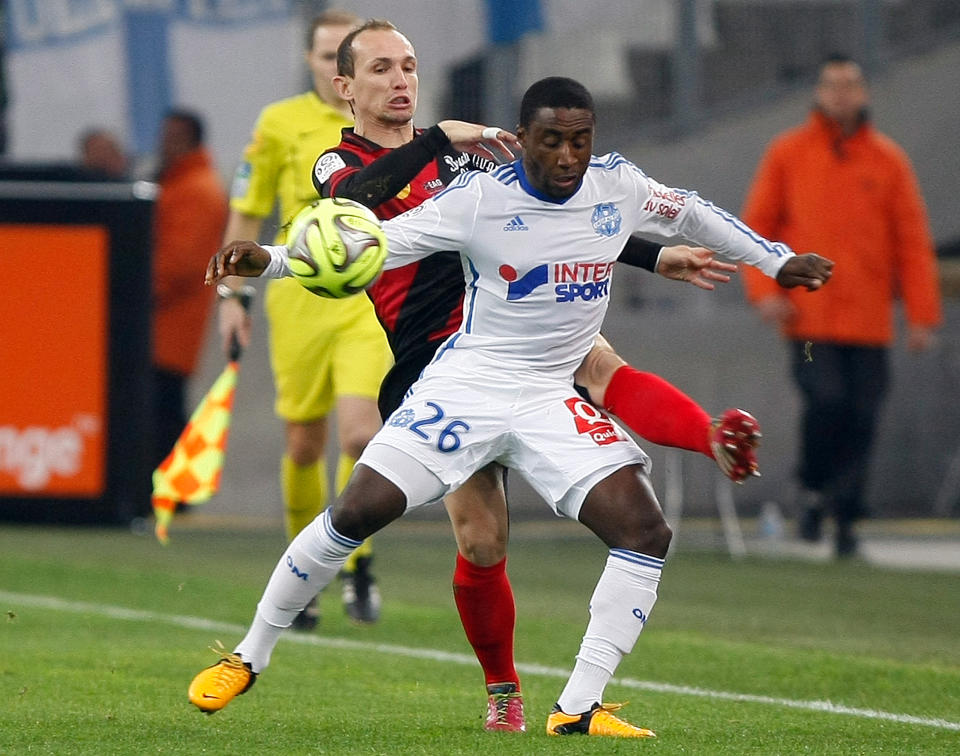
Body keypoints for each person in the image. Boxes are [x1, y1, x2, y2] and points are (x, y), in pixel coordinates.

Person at [191, 75, 833, 737]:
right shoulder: (478, 198)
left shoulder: (619, 184)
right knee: (360, 509)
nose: (566, 156)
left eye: (580, 141)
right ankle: (249, 655)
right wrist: (267, 260)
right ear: (521, 140)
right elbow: (378, 243)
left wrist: (775, 260)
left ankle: (578, 708)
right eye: (551, 141)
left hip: (550, 394)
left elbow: (694, 212)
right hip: (468, 383)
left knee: (645, 531)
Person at [306, 19, 772, 733]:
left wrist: (651, 255)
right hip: (440, 354)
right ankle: (503, 689)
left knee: (600, 359)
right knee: (483, 538)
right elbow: (357, 206)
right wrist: (437, 139)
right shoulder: (342, 163)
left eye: (408, 66)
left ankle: (709, 435)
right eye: (380, 70)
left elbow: (551, 215)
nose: (401, 81)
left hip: (521, 313)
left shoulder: (465, 157)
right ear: (346, 88)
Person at [217, 10, 392, 627]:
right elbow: (247, 212)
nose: (331, 67)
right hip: (296, 298)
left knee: (360, 436)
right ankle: (305, 574)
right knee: (302, 444)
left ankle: (357, 564)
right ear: (314, 62)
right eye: (321, 56)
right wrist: (231, 296)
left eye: (341, 56)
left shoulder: (387, 122)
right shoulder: (280, 123)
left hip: (369, 298)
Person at [741, 54, 942, 557]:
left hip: (869, 324)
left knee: (864, 413)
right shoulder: (789, 153)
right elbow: (754, 229)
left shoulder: (888, 160)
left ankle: (845, 511)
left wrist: (921, 315)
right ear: (818, 91)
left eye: (850, 84)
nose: (841, 94)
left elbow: (912, 243)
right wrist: (766, 293)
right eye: (832, 85)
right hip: (809, 324)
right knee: (826, 399)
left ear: (864, 92)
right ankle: (813, 489)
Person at [152, 109, 228, 468]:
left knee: (162, 412)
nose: (163, 144)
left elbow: (179, 265)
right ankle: (170, 490)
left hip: (167, 324)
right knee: (163, 410)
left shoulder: (196, 190)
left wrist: (132, 294)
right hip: (168, 324)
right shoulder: (184, 183)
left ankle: (171, 490)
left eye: (170, 137)